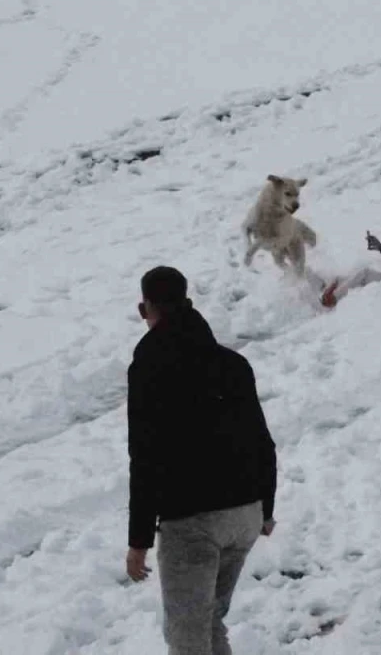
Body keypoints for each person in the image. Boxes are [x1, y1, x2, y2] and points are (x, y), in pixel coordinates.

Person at [126, 266, 278, 655]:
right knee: (208, 622)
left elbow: (145, 456)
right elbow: (262, 440)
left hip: (191, 522)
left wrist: (139, 540)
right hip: (244, 513)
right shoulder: (232, 362)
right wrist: (266, 507)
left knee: (187, 638)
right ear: (188, 304)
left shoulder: (149, 366)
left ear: (145, 309)